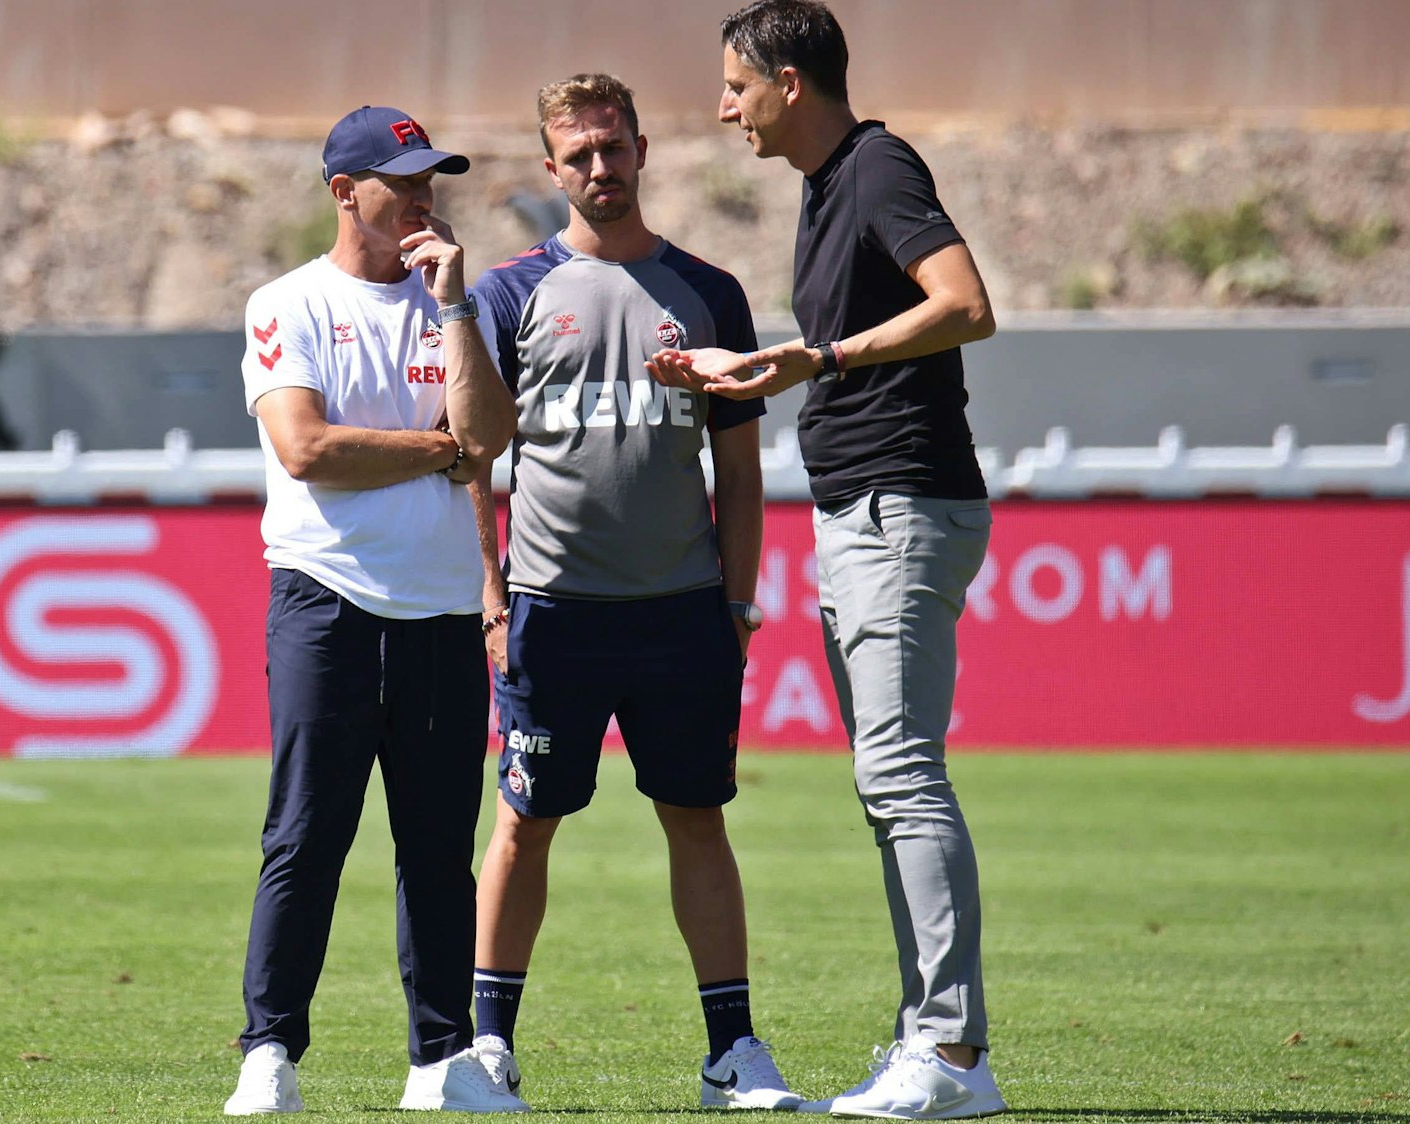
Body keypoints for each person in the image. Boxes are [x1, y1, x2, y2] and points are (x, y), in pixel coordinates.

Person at [647, 2, 1008, 1117]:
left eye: (736, 86)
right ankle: (933, 1042)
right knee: (887, 784)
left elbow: (967, 306)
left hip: (901, 505)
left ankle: (950, 1053)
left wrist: (826, 354)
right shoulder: (830, 184)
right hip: (863, 508)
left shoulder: (877, 166)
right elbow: (838, 350)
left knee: (901, 778)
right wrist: (768, 371)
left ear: (790, 82)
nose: (724, 107)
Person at [464, 73, 802, 1112]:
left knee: (696, 818)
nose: (600, 168)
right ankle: (487, 1046)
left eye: (614, 148)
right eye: (579, 155)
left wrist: (737, 603)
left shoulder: (710, 292)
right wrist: (491, 598)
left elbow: (740, 473)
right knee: (523, 821)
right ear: (552, 169)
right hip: (551, 612)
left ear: (643, 150)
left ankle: (732, 1050)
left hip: (680, 613)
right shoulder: (510, 294)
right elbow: (475, 462)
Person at [223, 105, 525, 1116]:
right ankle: (270, 1050)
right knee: (306, 837)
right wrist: (434, 449)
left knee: (438, 850)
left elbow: (488, 438)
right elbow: (308, 450)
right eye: (403, 180)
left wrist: (456, 312)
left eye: (431, 179)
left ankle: (440, 1062)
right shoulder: (288, 301)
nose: (423, 197)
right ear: (345, 191)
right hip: (328, 605)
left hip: (439, 612)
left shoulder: (453, 308)